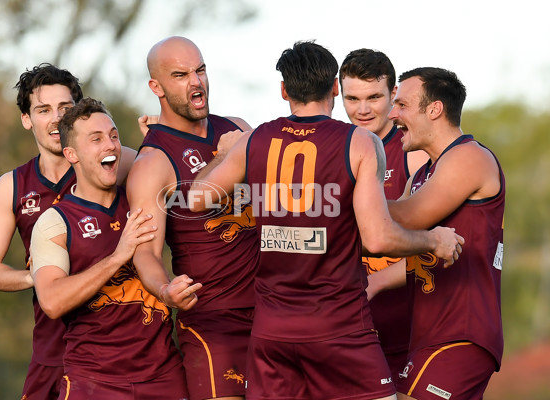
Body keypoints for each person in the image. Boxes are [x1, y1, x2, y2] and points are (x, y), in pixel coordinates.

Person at [188, 40, 464, 400]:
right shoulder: (360, 142)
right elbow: (378, 238)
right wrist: (433, 241)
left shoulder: (255, 140)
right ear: (335, 87)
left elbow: (195, 199)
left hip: (272, 331)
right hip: (339, 327)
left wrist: (224, 154)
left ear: (284, 89)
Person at [0, 63, 137, 399]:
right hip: (52, 350)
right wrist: (42, 278)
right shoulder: (13, 186)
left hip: (123, 352)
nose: (55, 119)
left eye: (65, 108)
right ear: (26, 119)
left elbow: (176, 182)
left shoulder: (120, 164)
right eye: (43, 109)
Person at [126, 36, 258, 400]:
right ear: (157, 87)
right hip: (214, 321)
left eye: (200, 70)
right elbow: (145, 253)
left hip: (274, 312)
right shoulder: (152, 163)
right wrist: (166, 289)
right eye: (181, 75)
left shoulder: (237, 126)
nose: (196, 82)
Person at [29, 97, 188, 399]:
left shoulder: (143, 196)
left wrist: (164, 138)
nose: (111, 145)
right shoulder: (55, 222)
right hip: (93, 381)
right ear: (71, 154)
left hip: (163, 376)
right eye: (97, 139)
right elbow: (51, 301)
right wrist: (118, 256)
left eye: (114, 136)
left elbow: (192, 179)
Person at [368, 67, 504, 400]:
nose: (392, 113)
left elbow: (405, 218)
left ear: (434, 109)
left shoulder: (468, 157)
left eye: (402, 104)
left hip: (461, 333)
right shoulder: (425, 172)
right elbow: (394, 237)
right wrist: (376, 280)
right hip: (429, 335)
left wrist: (332, 199)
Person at [339, 48, 430, 380]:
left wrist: (374, 282)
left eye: (374, 97)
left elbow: (436, 245)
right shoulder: (333, 150)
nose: (363, 110)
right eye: (353, 98)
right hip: (348, 333)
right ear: (338, 94)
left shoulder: (414, 153)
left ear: (393, 93)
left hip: (408, 333)